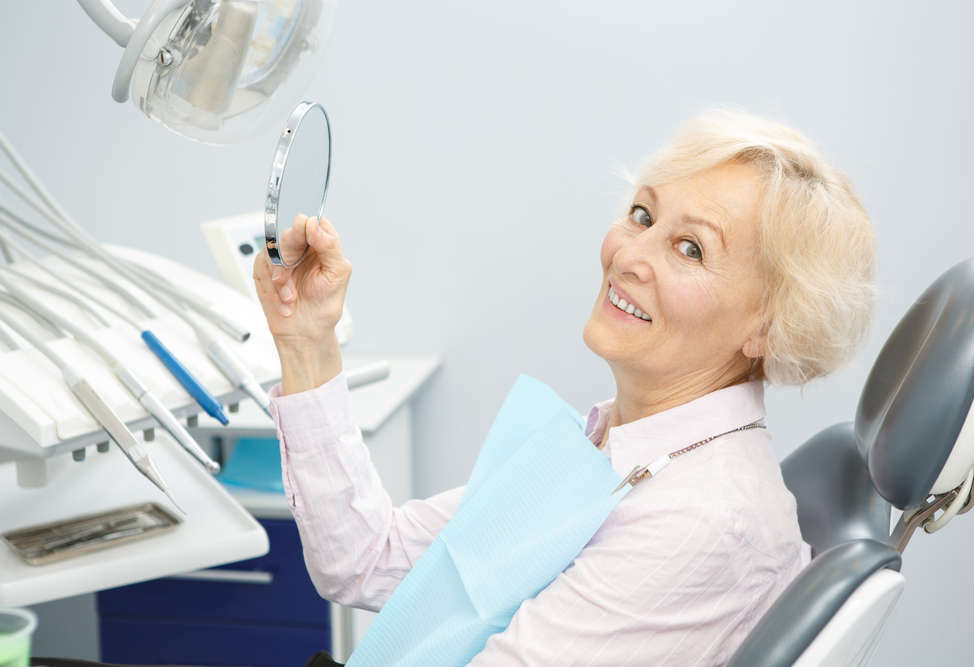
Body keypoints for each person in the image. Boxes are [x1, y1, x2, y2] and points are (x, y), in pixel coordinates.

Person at [252, 108, 876, 666]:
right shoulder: (614, 445)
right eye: (642, 215)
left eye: (690, 249)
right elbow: (365, 559)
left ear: (769, 326)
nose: (629, 256)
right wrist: (307, 340)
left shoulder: (699, 519)